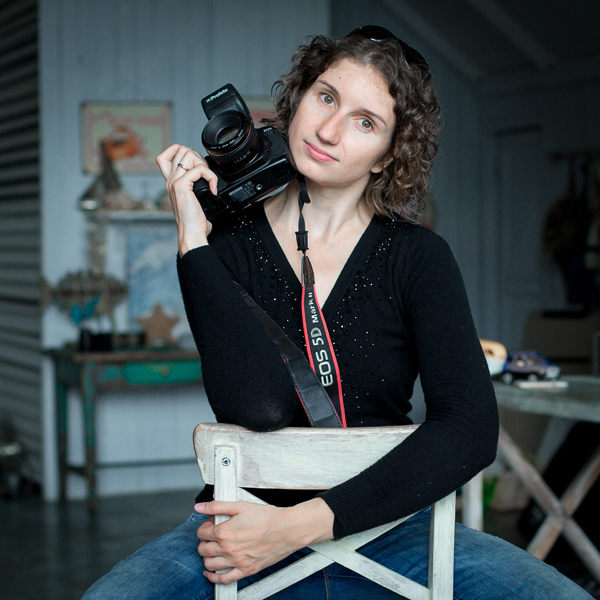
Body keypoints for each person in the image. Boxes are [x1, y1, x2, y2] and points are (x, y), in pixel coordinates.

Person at [83, 27, 593, 599]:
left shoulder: (418, 257)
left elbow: (470, 430)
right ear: (298, 96)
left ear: (388, 156)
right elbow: (258, 407)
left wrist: (297, 527)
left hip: (389, 527)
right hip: (241, 528)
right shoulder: (224, 243)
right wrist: (192, 241)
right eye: (325, 97)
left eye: (364, 122)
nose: (328, 130)